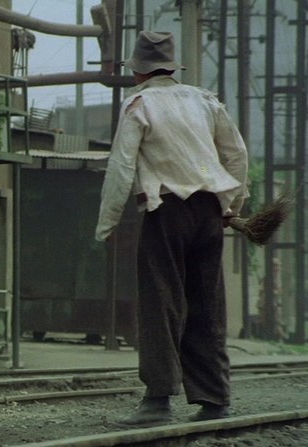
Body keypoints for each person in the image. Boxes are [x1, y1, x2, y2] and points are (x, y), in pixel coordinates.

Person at [94, 31, 249, 425]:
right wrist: (231, 205)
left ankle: (158, 400)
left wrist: (107, 223)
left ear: (138, 72)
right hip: (210, 211)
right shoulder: (205, 100)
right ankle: (215, 399)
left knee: (161, 301)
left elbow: (121, 167)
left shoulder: (139, 103)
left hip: (166, 211)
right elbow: (237, 154)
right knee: (207, 304)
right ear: (171, 68)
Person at [257, 257, 286, 342]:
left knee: (277, 320)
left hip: (274, 303)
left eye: (278, 266)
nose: (276, 268)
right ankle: (280, 336)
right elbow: (262, 289)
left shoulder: (277, 278)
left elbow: (279, 290)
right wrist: (274, 292)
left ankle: (280, 336)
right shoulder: (267, 277)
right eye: (274, 265)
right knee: (264, 320)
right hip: (265, 303)